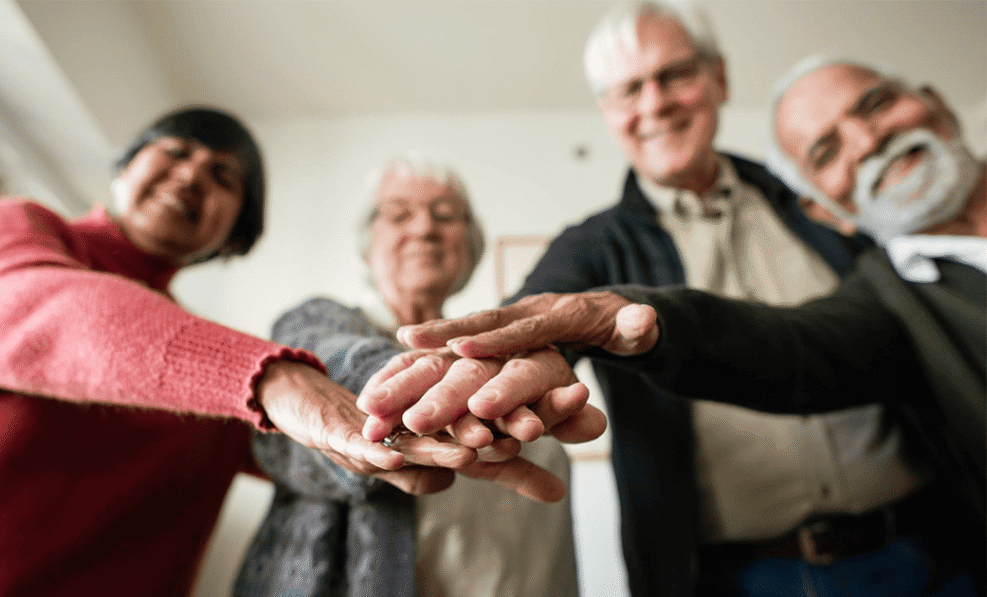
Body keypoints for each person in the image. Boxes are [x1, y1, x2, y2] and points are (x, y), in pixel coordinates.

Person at [358, 3, 943, 596]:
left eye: (674, 76)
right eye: (628, 90)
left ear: (719, 77)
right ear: (609, 114)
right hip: (736, 579)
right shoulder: (591, 246)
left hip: (925, 547)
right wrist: (483, 366)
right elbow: (538, 313)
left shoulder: (814, 196)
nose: (654, 103)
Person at [0, 108, 566, 597]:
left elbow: (293, 448)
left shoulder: (194, 350)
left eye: (225, 175)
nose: (193, 173)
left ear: (237, 231)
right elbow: (41, 313)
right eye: (174, 150)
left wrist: (422, 429)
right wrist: (279, 381)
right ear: (124, 164)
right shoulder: (12, 231)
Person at [234, 155, 591, 597]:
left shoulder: (512, 356)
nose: (424, 228)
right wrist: (397, 382)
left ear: (470, 244)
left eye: (445, 215)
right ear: (368, 244)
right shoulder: (318, 323)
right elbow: (330, 373)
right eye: (399, 214)